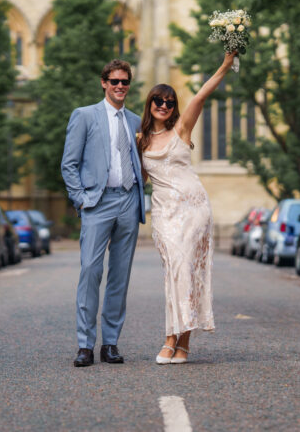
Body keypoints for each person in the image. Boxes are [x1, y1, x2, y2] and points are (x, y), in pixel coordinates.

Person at [137, 51, 236, 364]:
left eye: (169, 102)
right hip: (165, 214)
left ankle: (179, 343)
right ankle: (174, 337)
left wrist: (225, 63)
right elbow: (136, 179)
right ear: (150, 104)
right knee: (175, 271)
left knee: (189, 272)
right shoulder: (139, 140)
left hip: (194, 209)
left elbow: (203, 93)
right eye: (158, 101)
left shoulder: (181, 130)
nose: (164, 106)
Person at [61, 59, 146, 367]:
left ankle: (110, 344)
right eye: (114, 81)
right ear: (104, 83)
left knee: (119, 278)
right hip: (97, 203)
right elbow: (69, 164)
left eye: (125, 82)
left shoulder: (136, 121)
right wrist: (80, 199)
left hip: (128, 202)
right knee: (90, 272)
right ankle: (85, 345)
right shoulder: (85, 116)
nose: (120, 86)